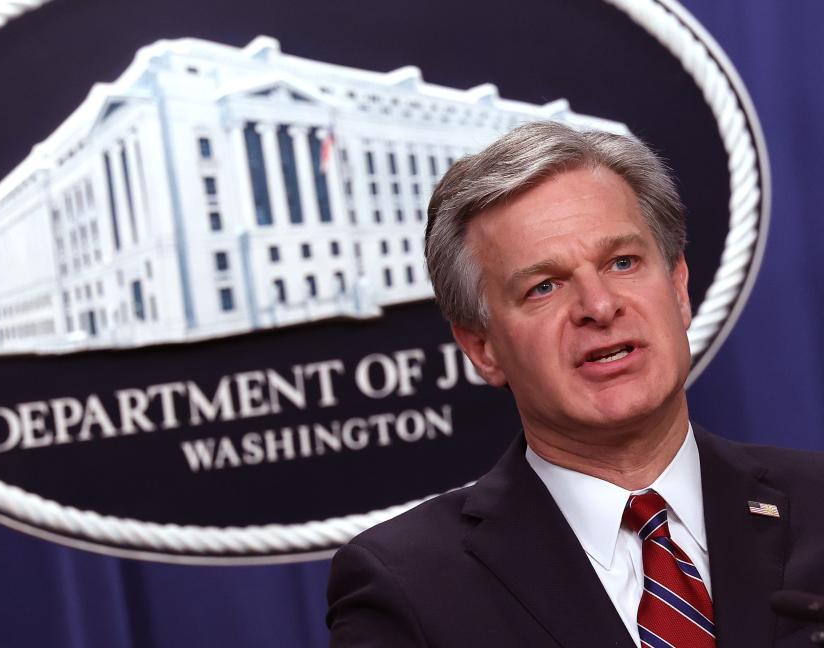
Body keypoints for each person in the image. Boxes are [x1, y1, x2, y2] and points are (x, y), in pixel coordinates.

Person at [326, 121, 824, 647]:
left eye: (623, 262)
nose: (599, 306)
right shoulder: (407, 586)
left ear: (678, 287)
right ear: (482, 348)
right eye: (544, 287)